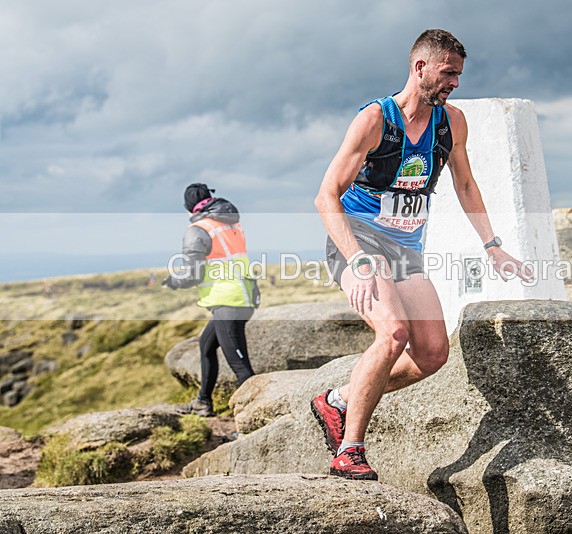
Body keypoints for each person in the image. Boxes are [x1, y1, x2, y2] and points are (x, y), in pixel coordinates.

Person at [312, 29, 531, 481]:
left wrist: (493, 245)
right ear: (420, 68)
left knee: (432, 353)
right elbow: (326, 196)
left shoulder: (451, 122)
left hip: (406, 249)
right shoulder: (376, 119)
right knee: (392, 333)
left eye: (458, 75)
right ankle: (349, 449)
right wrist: (357, 257)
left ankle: (337, 401)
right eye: (448, 73)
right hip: (358, 241)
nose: (455, 83)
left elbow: (466, 185)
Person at [163, 183, 258, 417]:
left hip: (228, 301)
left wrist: (174, 281)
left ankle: (252, 421)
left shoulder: (198, 229)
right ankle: (202, 402)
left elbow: (193, 273)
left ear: (189, 208)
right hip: (242, 295)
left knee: (241, 370)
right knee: (206, 345)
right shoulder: (230, 223)